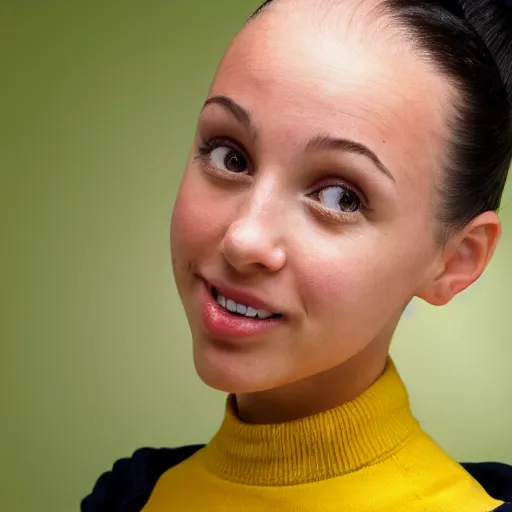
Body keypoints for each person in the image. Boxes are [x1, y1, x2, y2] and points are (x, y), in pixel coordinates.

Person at [82, 0, 512, 510]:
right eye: (230, 156)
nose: (244, 239)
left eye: (340, 197)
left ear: (456, 260)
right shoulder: (133, 497)